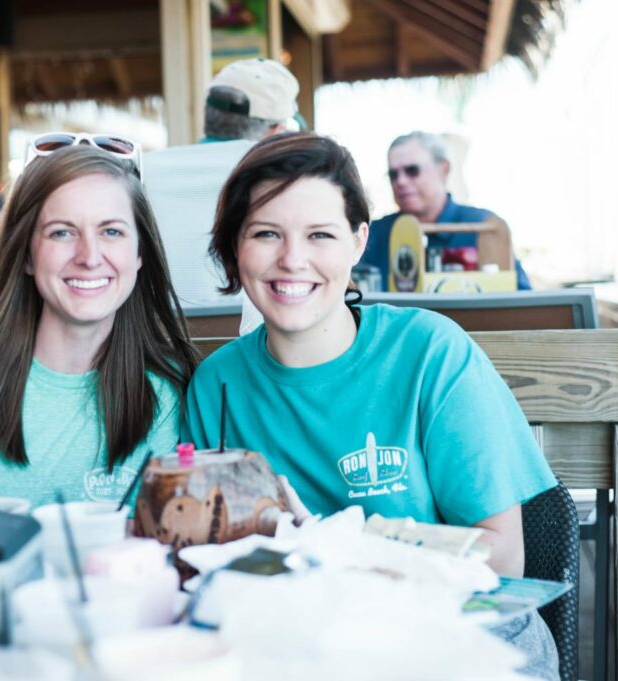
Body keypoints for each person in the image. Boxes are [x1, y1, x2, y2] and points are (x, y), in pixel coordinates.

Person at [184, 133, 559, 680]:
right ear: (234, 247)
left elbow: (502, 557)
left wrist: (338, 544)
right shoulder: (217, 385)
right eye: (266, 233)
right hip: (295, 651)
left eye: (320, 234)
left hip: (446, 640)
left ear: (359, 242)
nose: (293, 260)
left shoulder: (430, 353)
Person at [0, 142, 198, 505]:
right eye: (62, 232)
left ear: (139, 253)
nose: (89, 257)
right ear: (25, 253)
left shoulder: (171, 390)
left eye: (112, 231)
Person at [145, 57, 301, 315]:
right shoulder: (284, 173)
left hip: (157, 345)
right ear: (277, 131)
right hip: (257, 345)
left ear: (208, 115)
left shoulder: (145, 169)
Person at [356, 131, 532, 290]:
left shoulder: (483, 228)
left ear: (444, 169)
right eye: (393, 175)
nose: (400, 181)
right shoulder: (374, 234)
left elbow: (522, 302)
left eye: (412, 171)